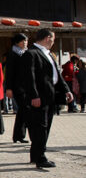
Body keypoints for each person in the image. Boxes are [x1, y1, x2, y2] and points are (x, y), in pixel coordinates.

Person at [22, 28, 73, 168]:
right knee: (40, 127)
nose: (53, 42)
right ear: (47, 38)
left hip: (51, 96)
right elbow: (29, 77)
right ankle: (40, 157)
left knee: (45, 126)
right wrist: (34, 95)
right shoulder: (31, 53)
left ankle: (36, 155)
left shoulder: (48, 54)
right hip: (40, 97)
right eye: (53, 39)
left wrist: (66, 90)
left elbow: (57, 75)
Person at [5, 33, 29, 143]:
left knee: (23, 111)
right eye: (22, 41)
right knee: (23, 109)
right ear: (17, 42)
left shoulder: (26, 53)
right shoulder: (13, 54)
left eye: (26, 41)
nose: (24, 43)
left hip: (26, 86)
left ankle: (19, 135)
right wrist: (9, 88)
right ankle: (19, 135)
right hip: (17, 86)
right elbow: (9, 72)